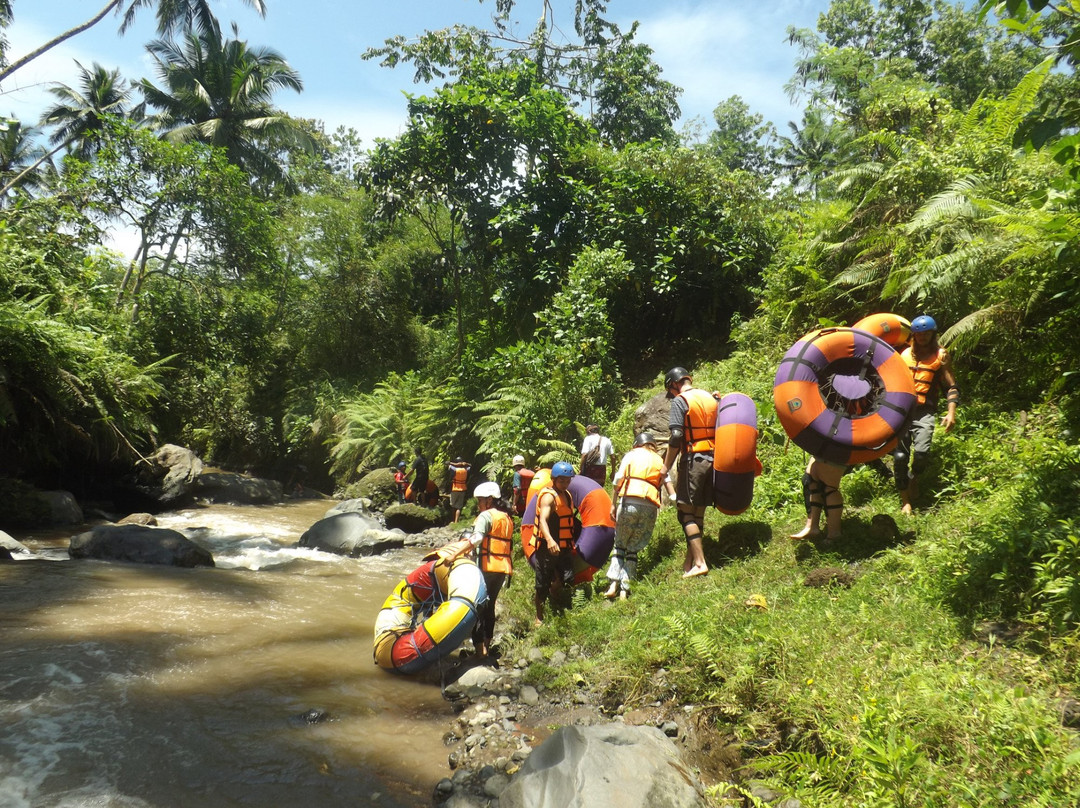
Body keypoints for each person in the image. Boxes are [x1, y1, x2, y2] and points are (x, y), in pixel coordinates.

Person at [894, 315, 959, 514]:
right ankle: (905, 500)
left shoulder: (941, 356)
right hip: (901, 412)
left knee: (922, 452)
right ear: (913, 335)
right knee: (899, 456)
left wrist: (951, 413)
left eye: (927, 334)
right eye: (919, 334)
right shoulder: (903, 355)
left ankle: (914, 478)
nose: (922, 337)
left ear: (933, 335)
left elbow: (951, 387)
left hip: (924, 411)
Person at [661, 367, 719, 578]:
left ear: (675, 384)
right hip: (713, 458)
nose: (672, 395)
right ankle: (691, 561)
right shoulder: (711, 398)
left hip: (693, 459)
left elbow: (676, 436)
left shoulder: (681, 401)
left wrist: (666, 465)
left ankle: (700, 562)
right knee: (698, 513)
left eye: (671, 390)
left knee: (685, 512)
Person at [605, 432, 676, 600]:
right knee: (633, 548)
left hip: (629, 501)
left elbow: (618, 480)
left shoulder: (631, 454)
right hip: (650, 506)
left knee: (620, 544)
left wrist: (613, 504)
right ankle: (625, 589)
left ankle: (613, 584)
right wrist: (674, 498)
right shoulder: (659, 460)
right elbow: (667, 480)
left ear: (637, 443)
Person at [461, 481, 514, 658]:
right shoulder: (506, 518)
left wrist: (457, 553)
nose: (478, 504)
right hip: (502, 569)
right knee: (489, 606)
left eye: (480, 500)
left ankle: (479, 650)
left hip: (486, 567)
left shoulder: (486, 516)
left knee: (478, 607)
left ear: (489, 500)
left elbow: (476, 538)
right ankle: (487, 644)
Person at [531, 460, 577, 626]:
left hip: (563, 546)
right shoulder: (549, 497)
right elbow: (543, 519)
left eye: (567, 480)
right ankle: (539, 616)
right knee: (541, 582)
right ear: (554, 479)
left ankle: (554, 591)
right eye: (562, 480)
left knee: (568, 577)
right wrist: (549, 540)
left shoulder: (568, 495)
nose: (565, 483)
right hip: (546, 546)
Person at [790, 457, 845, 542]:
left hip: (841, 449)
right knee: (809, 479)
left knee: (829, 487)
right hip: (825, 448)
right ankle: (812, 527)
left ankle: (834, 533)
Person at [447, 456, 472, 522]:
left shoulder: (454, 469)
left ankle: (452, 520)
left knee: (453, 505)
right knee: (459, 507)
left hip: (455, 488)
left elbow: (449, 465)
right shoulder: (466, 469)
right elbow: (470, 466)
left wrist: (452, 463)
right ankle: (456, 521)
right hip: (463, 489)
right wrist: (465, 464)